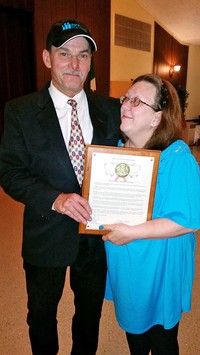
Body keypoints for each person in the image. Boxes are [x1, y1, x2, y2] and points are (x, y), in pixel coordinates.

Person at [0, 18, 120, 355]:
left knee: (89, 314)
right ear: (47, 57)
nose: (74, 64)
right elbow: (10, 172)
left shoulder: (110, 109)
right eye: (64, 53)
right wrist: (56, 199)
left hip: (96, 236)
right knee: (41, 315)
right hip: (45, 233)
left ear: (90, 62)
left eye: (83, 55)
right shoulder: (20, 112)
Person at [100, 74, 200, 355]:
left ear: (157, 118)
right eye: (125, 98)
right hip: (127, 263)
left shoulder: (176, 156)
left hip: (160, 265)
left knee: (162, 340)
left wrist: (131, 232)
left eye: (137, 101)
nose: (125, 105)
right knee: (134, 335)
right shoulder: (119, 150)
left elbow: (187, 220)